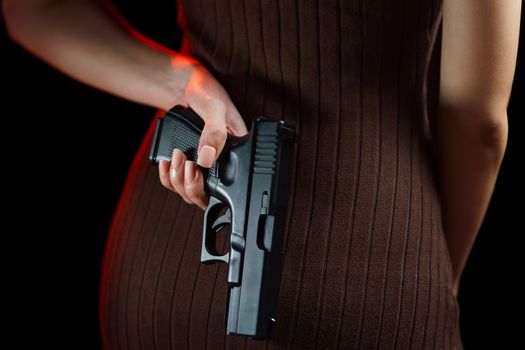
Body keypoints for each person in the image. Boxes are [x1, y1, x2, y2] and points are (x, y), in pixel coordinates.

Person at [4, 0, 520, 349]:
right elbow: (478, 123)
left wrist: (182, 80)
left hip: (167, 271)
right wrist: (433, 276)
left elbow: (33, 10)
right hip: (375, 273)